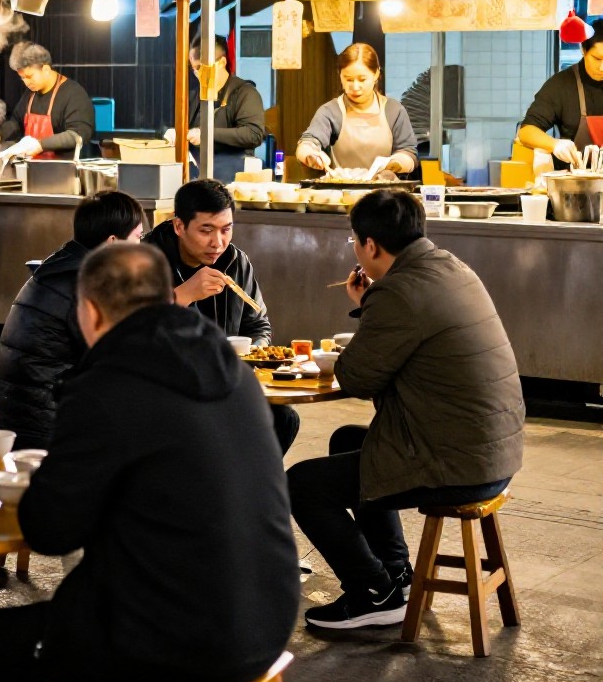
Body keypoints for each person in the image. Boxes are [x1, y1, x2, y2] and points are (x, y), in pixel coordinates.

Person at [0, 243, 300, 682]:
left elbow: (51, 530)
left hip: (179, 641)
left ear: (90, 312)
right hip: (269, 618)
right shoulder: (229, 368)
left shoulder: (105, 388)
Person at [288, 190, 524, 630]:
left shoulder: (398, 292)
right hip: (493, 452)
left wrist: (371, 307)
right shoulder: (448, 266)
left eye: (355, 242)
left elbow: (358, 378)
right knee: (349, 441)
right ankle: (394, 577)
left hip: (456, 463)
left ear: (370, 245)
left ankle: (371, 591)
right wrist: (370, 304)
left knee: (301, 484)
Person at [143, 179, 297, 453]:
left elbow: (258, 324)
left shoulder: (236, 262)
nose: (218, 242)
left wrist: (249, 354)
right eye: (206, 230)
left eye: (226, 230)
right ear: (179, 226)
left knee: (283, 419)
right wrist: (183, 295)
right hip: (167, 389)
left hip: (224, 381)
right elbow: (132, 332)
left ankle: (246, 491)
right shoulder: (145, 260)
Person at [0, 190, 146, 450]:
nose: (141, 247)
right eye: (138, 237)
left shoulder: (61, 265)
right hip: (45, 428)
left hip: (17, 418)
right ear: (112, 243)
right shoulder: (89, 284)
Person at [297, 42, 418, 176]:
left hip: (385, 194)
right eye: (348, 79)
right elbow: (308, 142)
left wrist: (394, 163)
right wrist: (311, 154)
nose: (355, 86)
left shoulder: (394, 110)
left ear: (376, 74)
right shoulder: (330, 111)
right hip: (343, 193)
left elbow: (409, 153)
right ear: (340, 75)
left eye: (362, 79)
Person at [176, 35, 266, 179]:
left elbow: (253, 134)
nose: (198, 74)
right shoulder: (194, 95)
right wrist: (178, 135)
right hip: (197, 177)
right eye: (194, 69)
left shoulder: (245, 93)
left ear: (222, 62)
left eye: (201, 68)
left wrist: (206, 135)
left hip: (233, 177)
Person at [0, 42, 95, 162]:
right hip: (34, 170)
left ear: (46, 70)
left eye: (30, 76)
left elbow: (78, 135)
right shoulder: (31, 94)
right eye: (22, 78)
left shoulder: (74, 94)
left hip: (64, 172)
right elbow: (16, 121)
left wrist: (40, 145)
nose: (26, 82)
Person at [518, 18, 603, 168]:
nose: (602, 68)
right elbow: (526, 132)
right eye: (597, 58)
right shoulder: (561, 84)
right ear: (583, 50)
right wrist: (554, 144)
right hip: (572, 184)